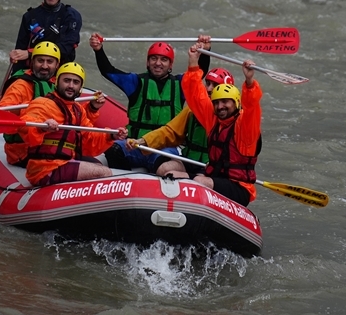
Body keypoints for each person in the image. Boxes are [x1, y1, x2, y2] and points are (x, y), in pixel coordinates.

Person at [89, 32, 210, 171]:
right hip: (134, 145)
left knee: (167, 165)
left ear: (171, 65)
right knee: (113, 150)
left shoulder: (180, 84)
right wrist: (98, 50)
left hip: (164, 149)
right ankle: (122, 183)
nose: (158, 63)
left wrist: (205, 51)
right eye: (154, 58)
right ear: (147, 62)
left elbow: (200, 72)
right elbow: (108, 71)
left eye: (164, 60)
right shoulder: (135, 82)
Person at [180, 43, 262, 206]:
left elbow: (252, 106)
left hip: (239, 187)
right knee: (172, 174)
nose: (220, 106)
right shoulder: (215, 121)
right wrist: (193, 64)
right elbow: (196, 95)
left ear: (236, 103)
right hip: (216, 178)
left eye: (225, 102)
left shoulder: (245, 125)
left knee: (200, 181)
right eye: (217, 103)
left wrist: (250, 81)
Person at [19, 62, 126, 187]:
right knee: (104, 173)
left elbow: (89, 138)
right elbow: (24, 125)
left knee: (98, 165)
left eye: (76, 82)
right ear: (57, 82)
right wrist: (41, 126)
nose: (71, 86)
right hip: (44, 168)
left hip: (64, 162)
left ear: (80, 86)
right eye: (67, 80)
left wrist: (111, 136)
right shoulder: (43, 104)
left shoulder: (77, 110)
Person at [126, 67, 234, 178]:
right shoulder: (192, 110)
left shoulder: (230, 119)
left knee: (200, 179)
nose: (209, 89)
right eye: (208, 83)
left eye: (215, 85)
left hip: (210, 166)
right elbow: (170, 131)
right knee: (164, 169)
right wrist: (142, 141)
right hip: (189, 160)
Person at [0, 40, 61, 166]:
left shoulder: (58, 84)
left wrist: (92, 108)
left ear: (57, 65)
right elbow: (3, 112)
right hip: (22, 151)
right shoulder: (20, 85)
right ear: (32, 62)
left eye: (50, 61)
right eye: (40, 61)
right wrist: (36, 113)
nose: (45, 66)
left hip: (49, 144)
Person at [8, 0, 82, 71]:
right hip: (33, 71)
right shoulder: (29, 16)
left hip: (60, 73)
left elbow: (66, 48)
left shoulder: (71, 16)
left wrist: (30, 53)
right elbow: (20, 53)